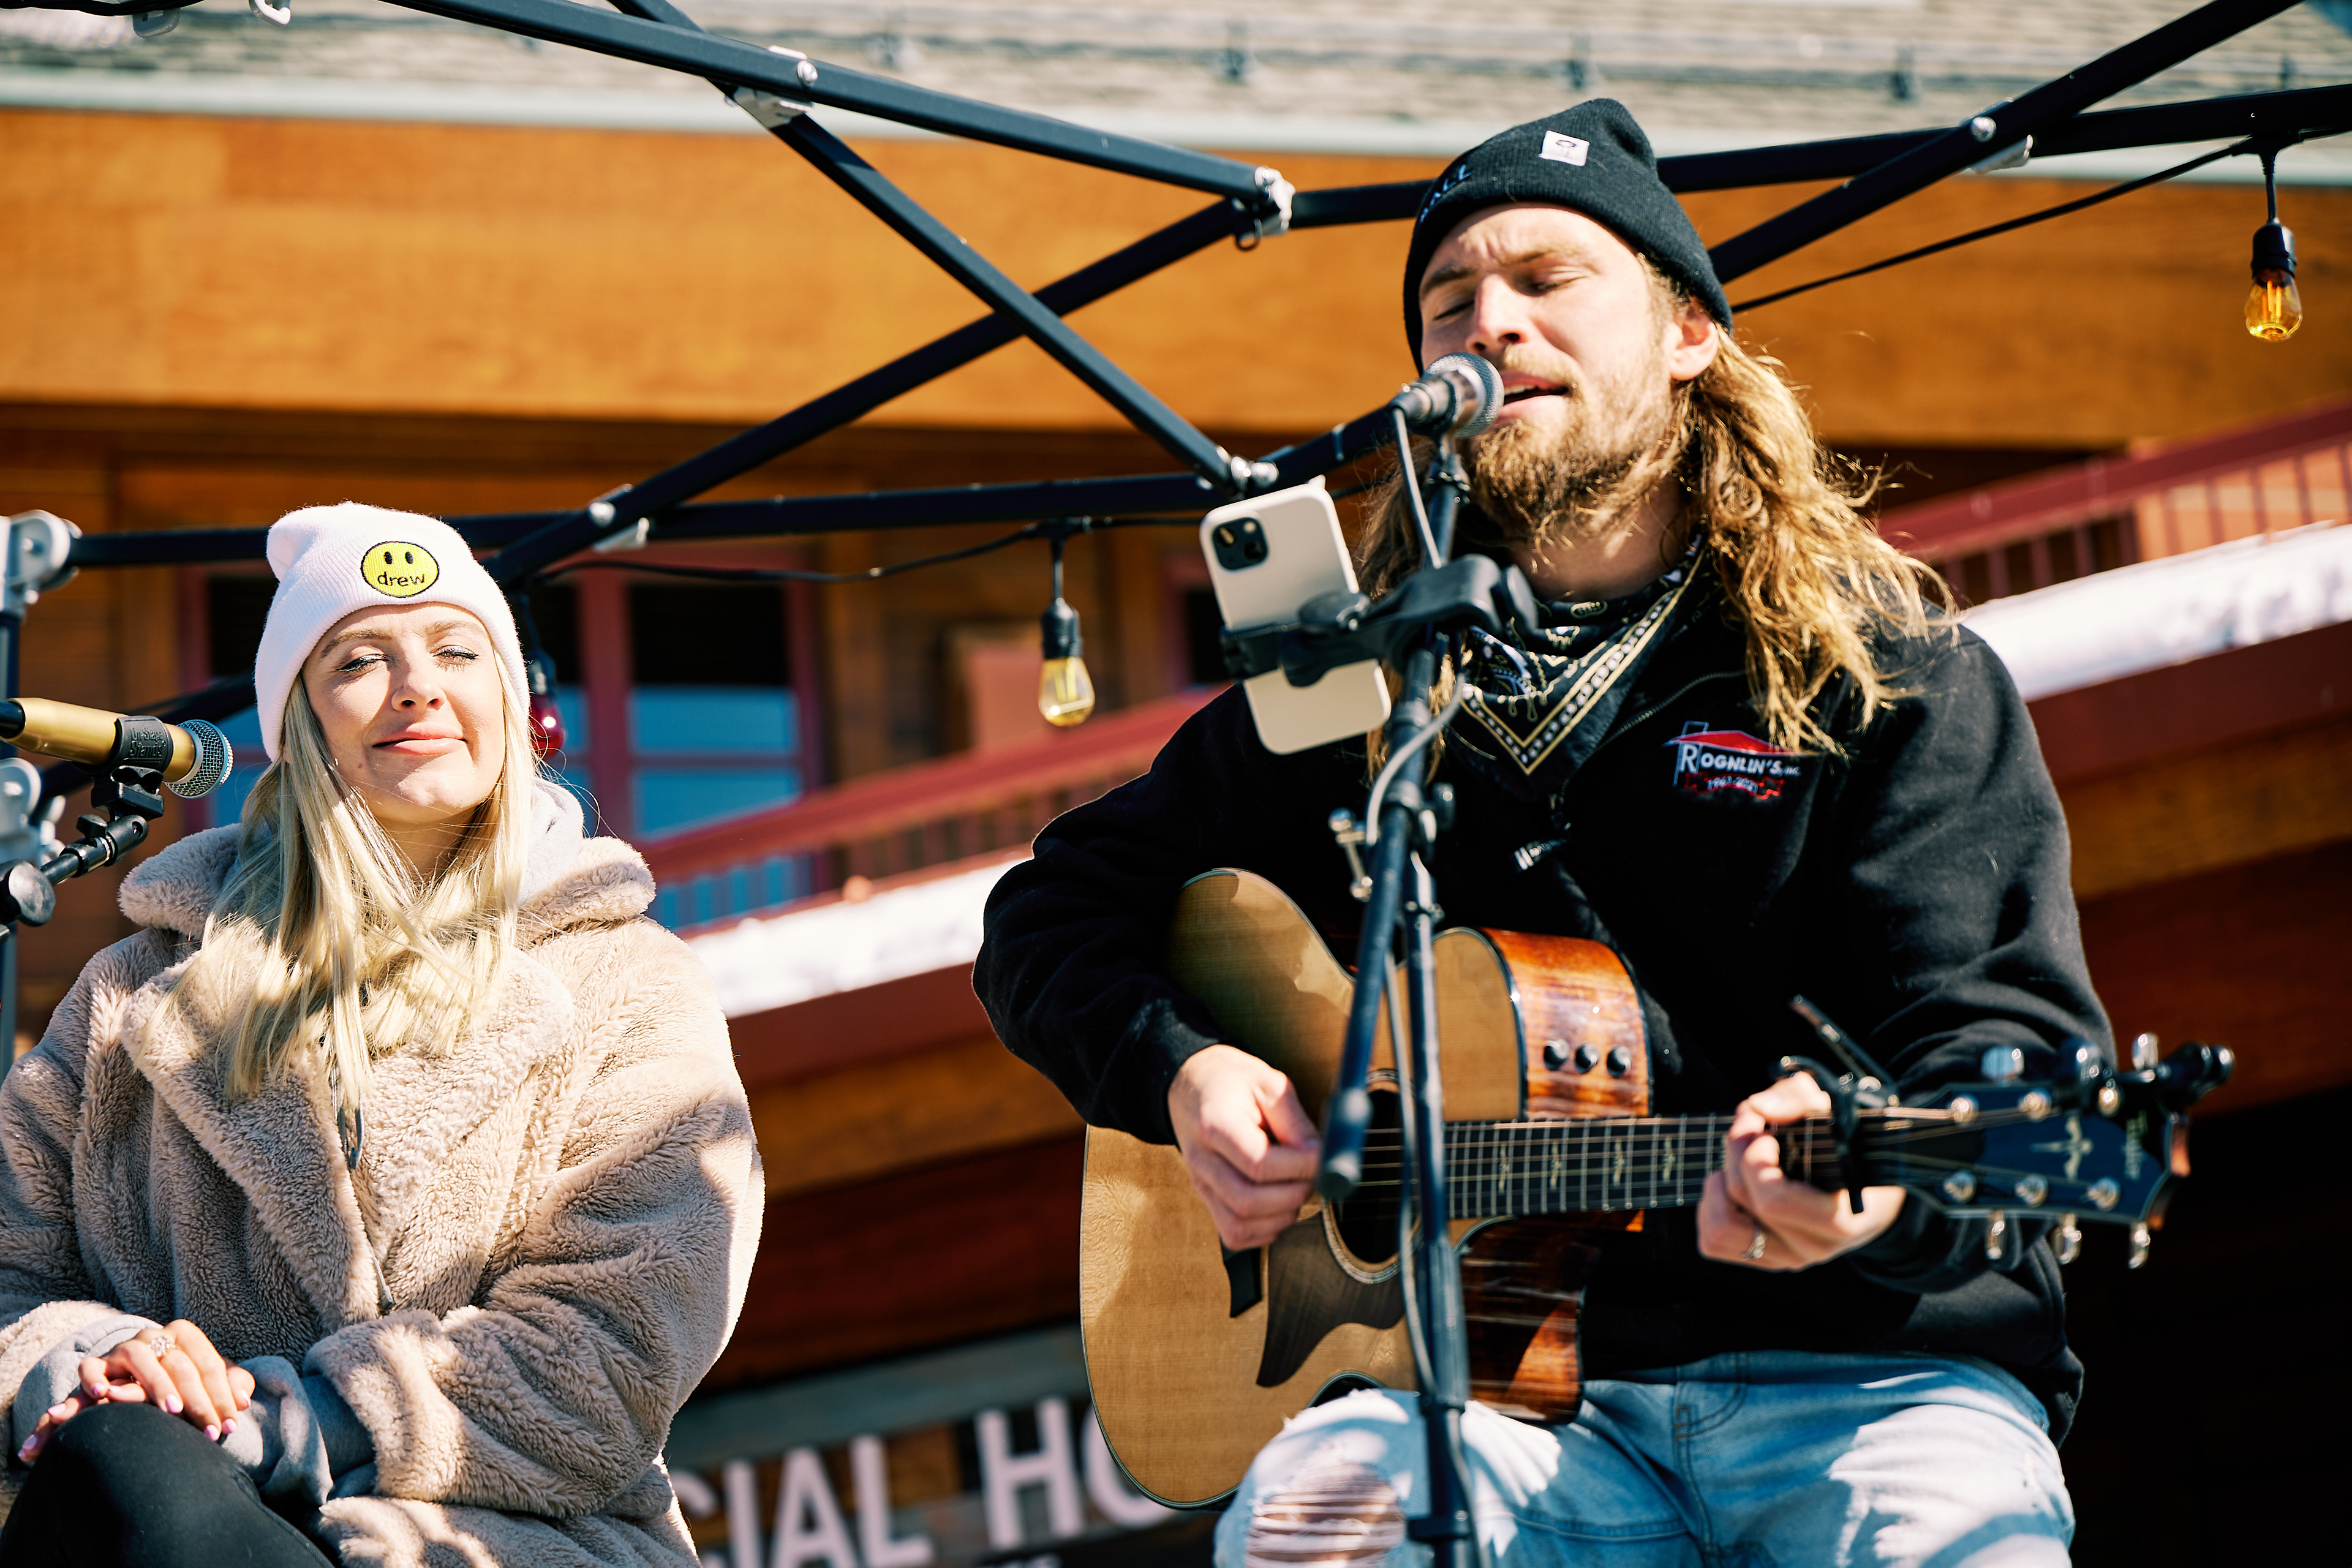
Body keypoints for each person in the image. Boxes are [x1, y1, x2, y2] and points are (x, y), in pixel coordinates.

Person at [976, 100, 2096, 1567]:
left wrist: (1876, 1188)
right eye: (1450, 300)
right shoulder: (1354, 694)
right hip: (1499, 1413)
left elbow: (2002, 1050)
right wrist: (1183, 1071)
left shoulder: (1884, 674)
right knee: (1319, 1522)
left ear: (1691, 332)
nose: (1488, 322)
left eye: (1547, 280)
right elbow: (1047, 917)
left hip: (1872, 1381)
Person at [0, 503, 761, 1567]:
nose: (418, 686)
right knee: (126, 1465)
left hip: (504, 1542)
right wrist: (95, 1363)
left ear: (508, 696)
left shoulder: (626, 982)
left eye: (458, 650)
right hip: (156, 1522)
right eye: (361, 658)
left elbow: (613, 1345)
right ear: (299, 721)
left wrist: (276, 1422)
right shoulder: (135, 994)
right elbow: (9, 1267)